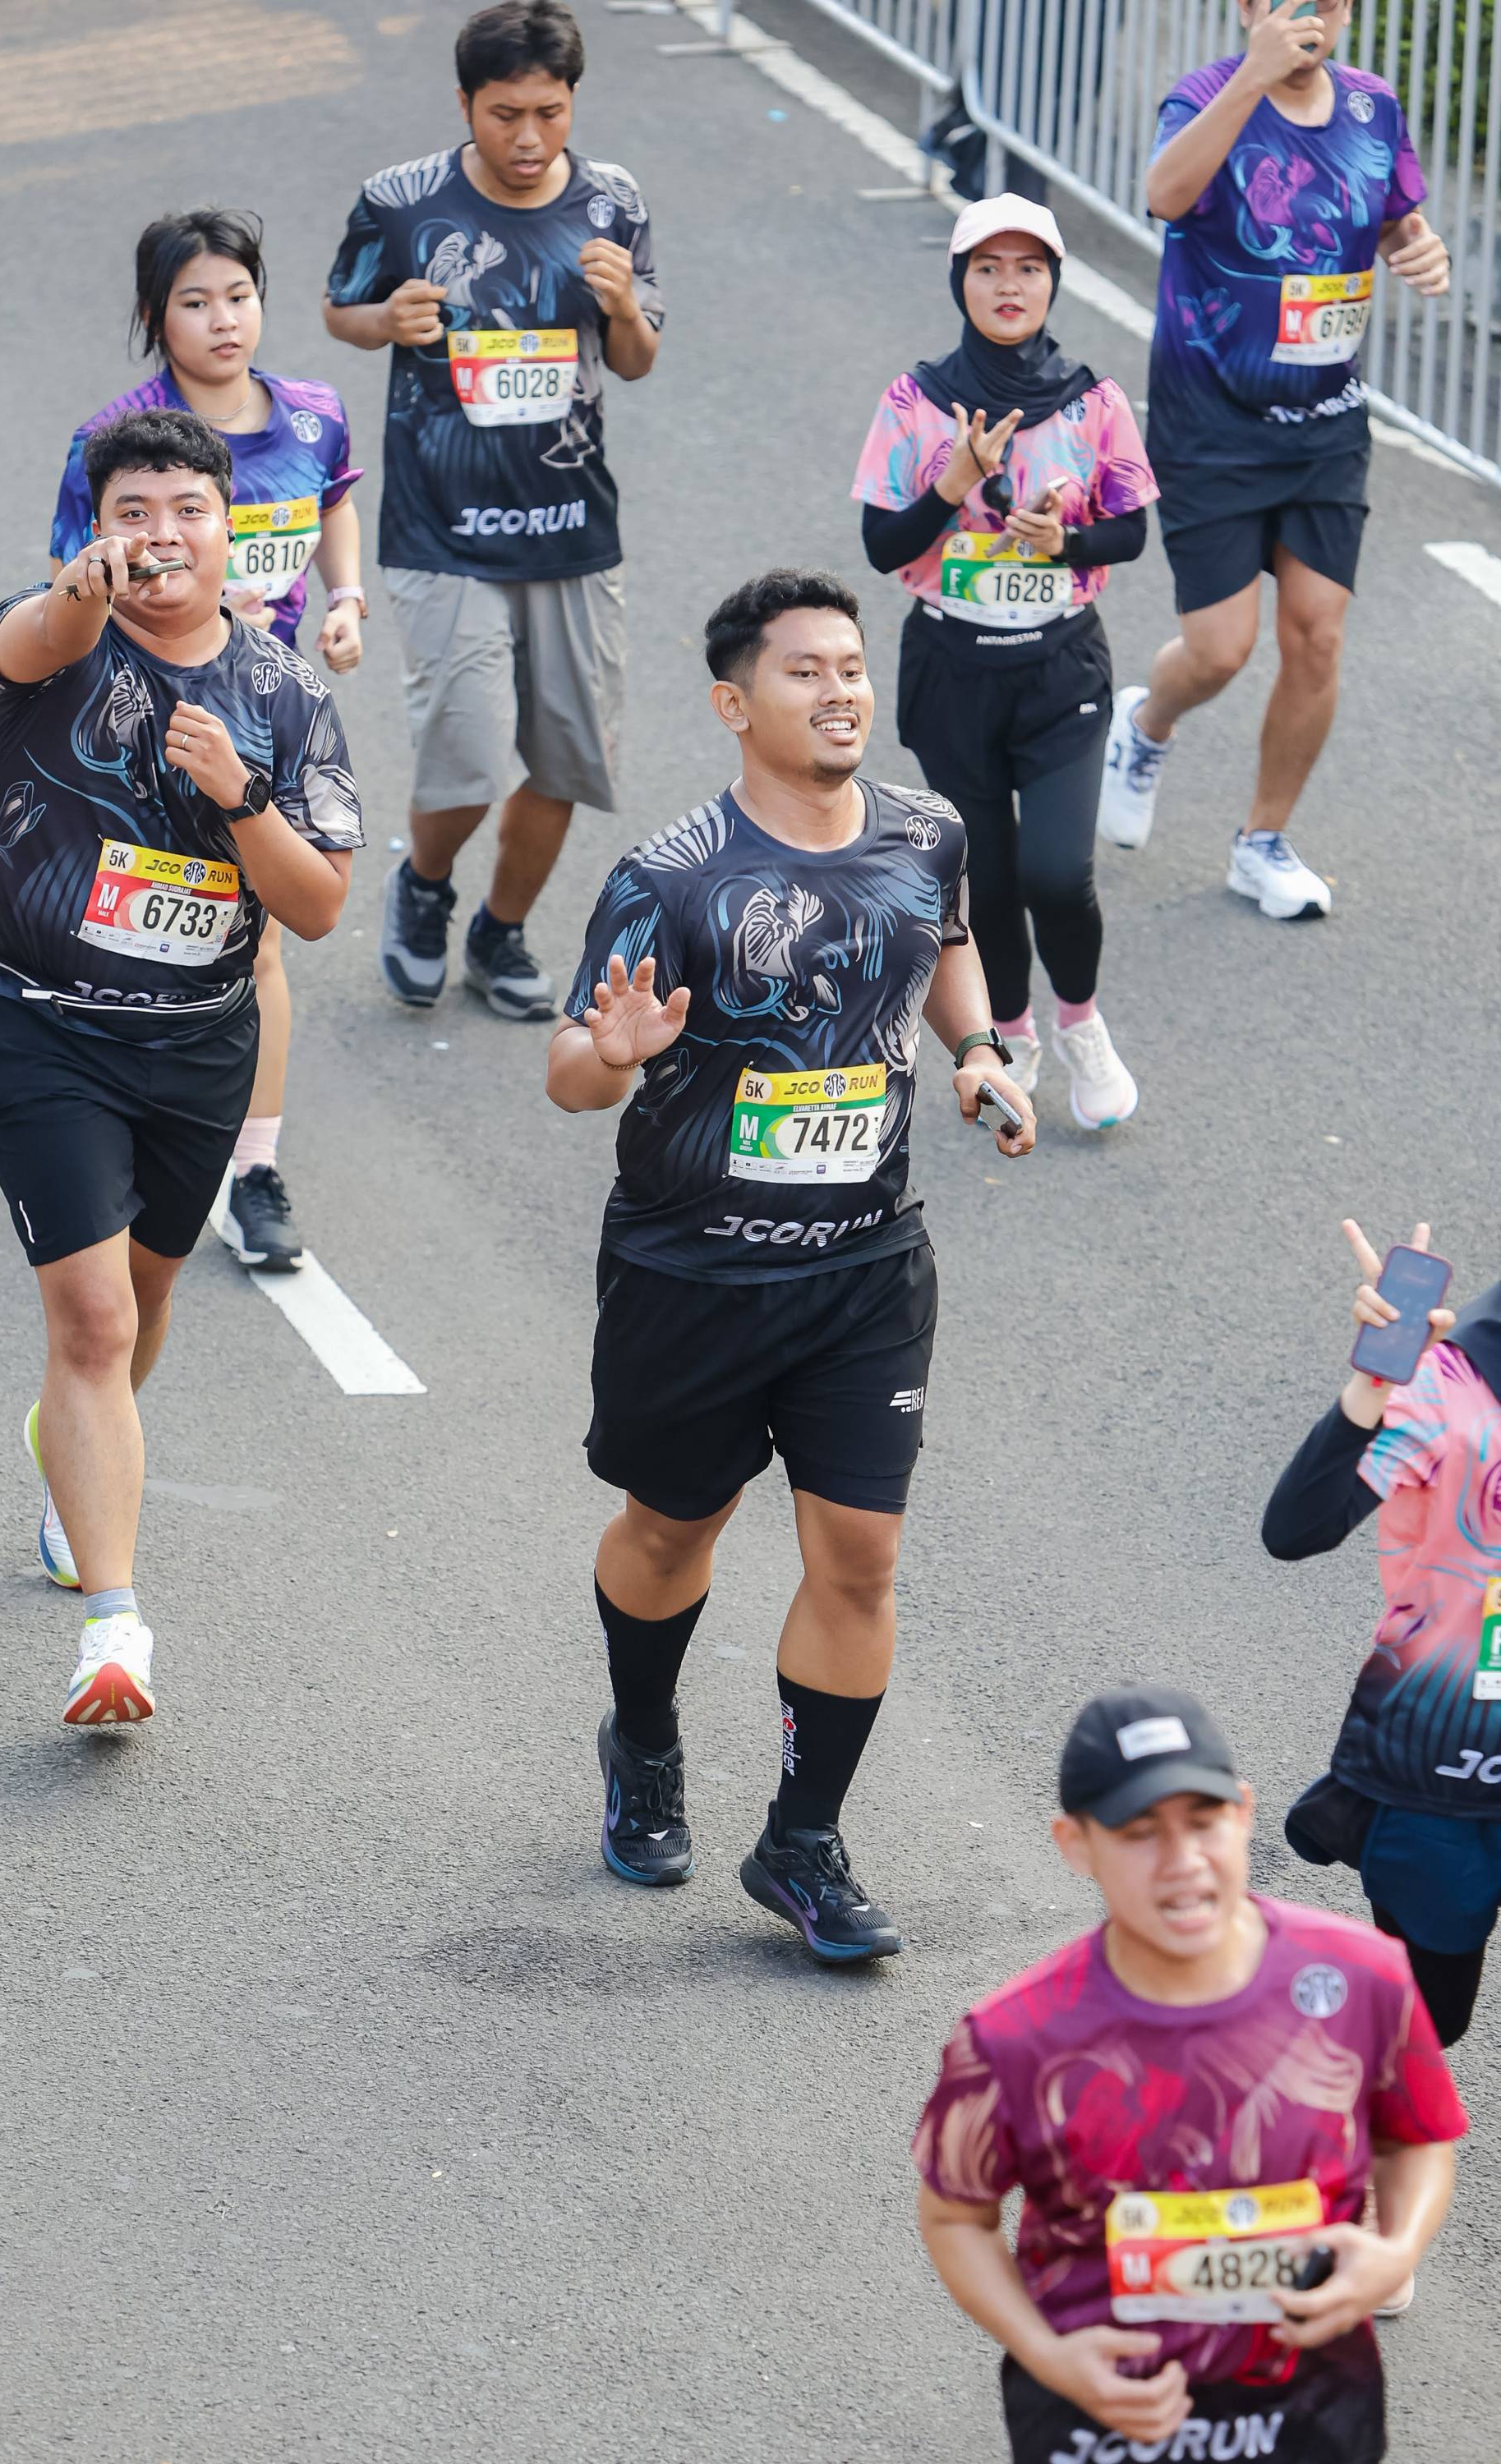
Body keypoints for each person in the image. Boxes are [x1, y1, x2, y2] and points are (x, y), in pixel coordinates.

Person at [546, 569, 1036, 1963]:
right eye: (805, 672)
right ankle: (644, 1739)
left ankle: (802, 1841)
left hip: (864, 1267)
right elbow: (571, 1069)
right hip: (692, 1273)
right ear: (734, 703)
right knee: (670, 1531)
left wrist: (978, 1051)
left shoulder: (926, 831)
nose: (840, 694)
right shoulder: (670, 876)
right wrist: (612, 1055)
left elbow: (946, 940)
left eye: (852, 668)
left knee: (862, 1556)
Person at [0, 409, 361, 1719]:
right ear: (97, 529)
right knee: (91, 1321)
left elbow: (317, 908)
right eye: (131, 513)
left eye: (187, 510)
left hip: (199, 1042)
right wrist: (79, 590)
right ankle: (114, 1628)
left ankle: (70, 1451)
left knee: (141, 1304)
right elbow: (42, 629)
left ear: (229, 529)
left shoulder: (286, 695)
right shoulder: (53, 642)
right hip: (44, 1023)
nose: (161, 535)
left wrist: (241, 796)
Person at [915, 1685, 1466, 2464]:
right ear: (1076, 1844)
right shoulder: (1011, 2039)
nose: (1183, 1863)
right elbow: (955, 2218)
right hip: (1100, 2411)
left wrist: (1399, 2250)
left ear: (1243, 1813)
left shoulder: (1363, 1977)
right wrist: (1047, 2355)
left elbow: (1417, 2139)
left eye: (1203, 1821)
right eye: (1140, 1833)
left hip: (1311, 2404)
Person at [323, 0, 661, 1024]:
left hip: (571, 532)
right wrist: (385, 319)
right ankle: (423, 887)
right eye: (504, 114)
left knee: (563, 764)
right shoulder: (401, 201)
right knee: (467, 758)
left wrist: (622, 307)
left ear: (572, 102)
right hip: (442, 533)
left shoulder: (612, 202)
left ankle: (498, 931)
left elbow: (637, 360)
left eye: (549, 114)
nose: (527, 139)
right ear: (466, 102)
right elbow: (341, 310)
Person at [53, 208, 366, 1275]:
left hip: (255, 714)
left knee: (261, 933)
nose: (223, 319)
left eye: (238, 295)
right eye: (195, 302)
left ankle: (254, 1170)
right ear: (155, 317)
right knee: (130, 910)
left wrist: (345, 600)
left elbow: (332, 506)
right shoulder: (113, 444)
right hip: (128, 710)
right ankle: (82, 1089)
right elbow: (67, 586)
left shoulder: (313, 415)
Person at [1098, 0, 1448, 919]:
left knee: (1317, 633)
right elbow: (1165, 195)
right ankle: (1145, 724)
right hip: (1211, 418)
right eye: (1285, 1)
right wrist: (1252, 77)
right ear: (1248, 8)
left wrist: (1416, 246)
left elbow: (1389, 218)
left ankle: (1262, 842)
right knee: (1220, 651)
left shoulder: (1372, 107)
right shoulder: (1203, 97)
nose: (1307, 15)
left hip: (1326, 420)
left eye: (1325, 1)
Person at [854, 194, 1158, 1131]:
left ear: (1053, 283)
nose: (1008, 285)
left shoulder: (1093, 401)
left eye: (1028, 268)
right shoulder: (914, 403)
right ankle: (1012, 1030)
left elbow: (1131, 531)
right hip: (952, 668)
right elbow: (880, 546)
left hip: (1060, 668)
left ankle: (1081, 1024)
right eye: (987, 268)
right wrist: (953, 482)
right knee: (982, 874)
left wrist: (1065, 542)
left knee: (1057, 872)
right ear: (960, 282)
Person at [1264, 1219, 1501, 2055]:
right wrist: (1373, 1383)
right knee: (1430, 2023)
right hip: (1443, 1767)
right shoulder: (1450, 1389)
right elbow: (1296, 1529)